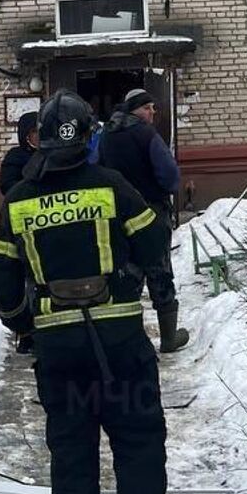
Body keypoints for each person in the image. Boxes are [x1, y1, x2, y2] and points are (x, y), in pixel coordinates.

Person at [0, 90, 184, 494]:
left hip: (59, 352)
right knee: (138, 445)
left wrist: (26, 323)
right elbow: (155, 243)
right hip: (120, 345)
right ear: (90, 134)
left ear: (41, 142)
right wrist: (128, 277)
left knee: (71, 452)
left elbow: (4, 288)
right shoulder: (111, 186)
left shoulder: (18, 202)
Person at [93, 88, 188, 352]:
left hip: (118, 217)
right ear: (135, 109)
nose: (152, 113)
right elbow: (169, 175)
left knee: (126, 274)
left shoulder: (105, 136)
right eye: (148, 108)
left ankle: (128, 339)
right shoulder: (147, 135)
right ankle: (168, 338)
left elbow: (94, 169)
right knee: (159, 271)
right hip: (152, 214)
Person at [0, 110, 40, 195]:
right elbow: (7, 186)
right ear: (25, 134)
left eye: (42, 130)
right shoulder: (15, 156)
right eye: (34, 131)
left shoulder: (53, 153)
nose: (39, 135)